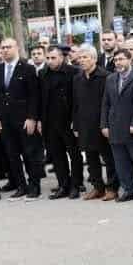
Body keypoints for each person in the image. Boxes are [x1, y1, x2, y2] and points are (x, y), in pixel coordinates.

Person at [0, 37, 45, 198]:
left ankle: (34, 186)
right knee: (12, 155)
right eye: (3, 47)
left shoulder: (28, 68)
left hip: (24, 120)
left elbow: (34, 95)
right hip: (5, 121)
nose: (5, 50)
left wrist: (32, 118)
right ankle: (21, 186)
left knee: (30, 154)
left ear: (16, 48)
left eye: (8, 47)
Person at [102, 48, 133, 204]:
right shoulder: (110, 79)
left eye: (121, 59)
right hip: (114, 127)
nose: (118, 62)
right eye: (116, 60)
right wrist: (104, 125)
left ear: (129, 60)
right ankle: (129, 189)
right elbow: (106, 103)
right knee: (120, 162)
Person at [71, 45, 116, 201]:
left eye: (85, 57)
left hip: (102, 124)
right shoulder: (77, 78)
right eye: (80, 58)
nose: (82, 60)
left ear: (94, 59)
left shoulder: (106, 77)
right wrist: (75, 124)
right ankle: (98, 187)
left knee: (109, 158)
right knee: (91, 158)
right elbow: (75, 104)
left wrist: (106, 124)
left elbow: (110, 103)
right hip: (84, 124)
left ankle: (112, 188)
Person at [39, 44, 81, 199]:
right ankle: (63, 184)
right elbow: (40, 98)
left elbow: (78, 100)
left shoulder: (74, 72)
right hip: (50, 121)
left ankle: (76, 185)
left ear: (62, 57)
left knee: (74, 154)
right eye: (48, 58)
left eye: (53, 58)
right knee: (57, 156)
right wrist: (40, 120)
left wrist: (76, 120)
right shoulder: (43, 73)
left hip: (68, 120)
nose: (50, 61)